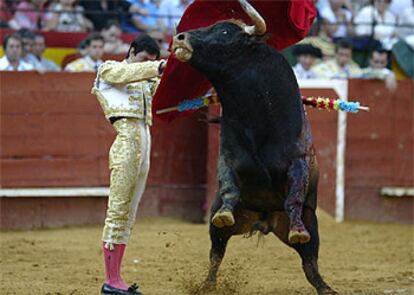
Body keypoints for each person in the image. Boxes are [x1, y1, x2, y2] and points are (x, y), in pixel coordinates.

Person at [91, 34, 166, 295]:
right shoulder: (109, 69)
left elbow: (168, 96)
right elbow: (124, 74)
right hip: (126, 145)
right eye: (144, 59)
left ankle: (116, 277)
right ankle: (111, 281)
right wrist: (157, 68)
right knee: (118, 210)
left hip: (144, 145)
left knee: (129, 213)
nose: (148, 65)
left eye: (152, 62)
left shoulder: (147, 81)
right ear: (132, 51)